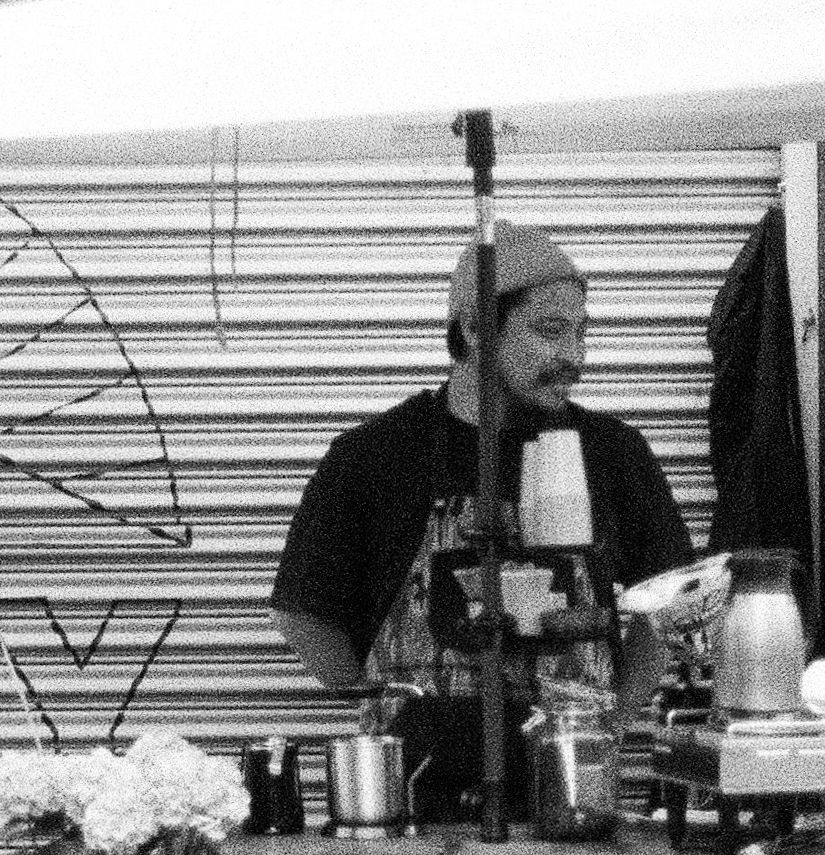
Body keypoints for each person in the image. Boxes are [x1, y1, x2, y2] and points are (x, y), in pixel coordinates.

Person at [269, 218, 695, 823]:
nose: (573, 357)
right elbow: (303, 615)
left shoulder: (613, 453)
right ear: (473, 329)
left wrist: (614, 725)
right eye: (550, 332)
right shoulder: (374, 456)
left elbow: (664, 608)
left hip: (573, 798)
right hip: (412, 799)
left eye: (581, 332)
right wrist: (387, 709)